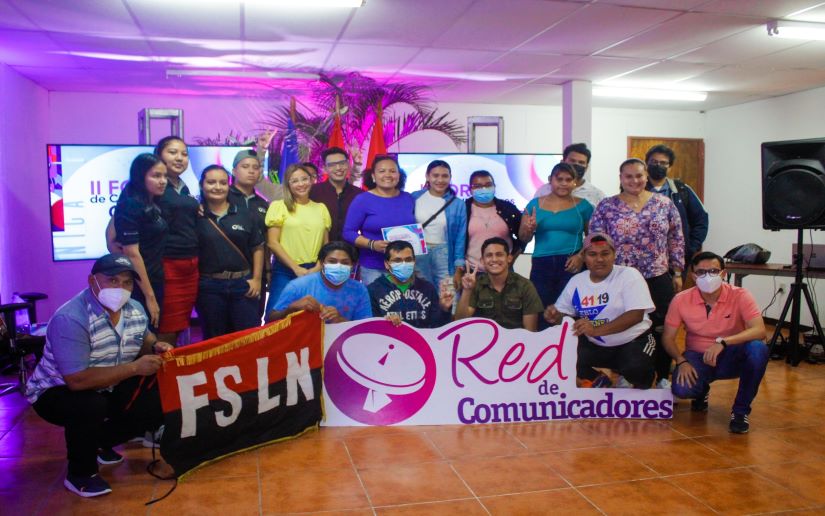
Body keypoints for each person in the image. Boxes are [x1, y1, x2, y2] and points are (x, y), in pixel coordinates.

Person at [24, 254, 172, 498]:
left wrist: (156, 346)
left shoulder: (135, 309)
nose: (120, 288)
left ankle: (100, 442)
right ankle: (81, 474)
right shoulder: (71, 318)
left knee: (154, 398)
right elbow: (77, 380)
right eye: (112, 280)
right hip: (56, 391)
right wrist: (134, 368)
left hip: (109, 382)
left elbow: (144, 339)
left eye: (127, 282)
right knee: (90, 405)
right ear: (92, 281)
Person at [589, 158, 685, 388]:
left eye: (639, 175)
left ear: (646, 176)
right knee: (625, 326)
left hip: (656, 276)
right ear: (621, 178)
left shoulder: (664, 204)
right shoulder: (607, 206)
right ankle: (627, 374)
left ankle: (663, 375)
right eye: (629, 176)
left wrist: (678, 271)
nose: (634, 180)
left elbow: (676, 238)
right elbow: (595, 240)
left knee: (661, 326)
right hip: (619, 279)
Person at [663, 252, 769, 434]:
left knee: (758, 349)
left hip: (731, 355)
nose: (708, 277)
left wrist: (724, 342)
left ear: (723, 273)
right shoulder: (681, 300)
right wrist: (681, 361)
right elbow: (667, 337)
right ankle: (701, 390)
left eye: (713, 271)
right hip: (698, 356)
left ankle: (740, 411)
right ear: (693, 276)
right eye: (701, 272)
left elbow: (760, 330)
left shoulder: (740, 295)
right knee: (682, 389)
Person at [545, 233, 656, 389]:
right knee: (561, 355)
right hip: (598, 346)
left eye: (605, 254)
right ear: (584, 257)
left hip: (634, 340)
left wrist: (596, 330)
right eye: (592, 254)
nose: (599, 259)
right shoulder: (577, 281)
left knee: (636, 369)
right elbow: (563, 315)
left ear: (614, 255)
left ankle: (639, 379)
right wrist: (555, 316)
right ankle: (599, 379)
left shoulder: (629, 275)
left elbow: (635, 315)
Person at [196, 165, 264, 339]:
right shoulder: (194, 215)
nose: (217, 187)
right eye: (211, 182)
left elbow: (257, 247)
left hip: (243, 284)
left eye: (223, 183)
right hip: (209, 287)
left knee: (247, 338)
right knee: (214, 339)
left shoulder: (244, 214)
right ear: (202, 185)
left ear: (229, 185)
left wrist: (256, 279)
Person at [520, 162, 594, 318]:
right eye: (559, 179)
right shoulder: (534, 205)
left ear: (575, 182)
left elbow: (592, 238)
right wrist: (529, 228)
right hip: (541, 263)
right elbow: (523, 238)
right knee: (540, 308)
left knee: (569, 310)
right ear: (550, 180)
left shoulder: (584, 206)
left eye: (568, 180)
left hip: (571, 263)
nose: (564, 183)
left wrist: (580, 256)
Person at [264, 164, 331, 313]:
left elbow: (326, 245)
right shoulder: (279, 206)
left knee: (312, 315)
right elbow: (272, 243)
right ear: (288, 184)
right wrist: (295, 268)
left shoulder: (321, 208)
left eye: (304, 179)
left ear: (311, 180)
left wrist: (318, 267)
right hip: (286, 269)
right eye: (295, 181)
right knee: (276, 313)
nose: (301, 184)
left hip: (315, 269)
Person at [113, 153, 169, 329]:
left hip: (155, 276)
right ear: (140, 177)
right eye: (156, 176)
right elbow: (132, 253)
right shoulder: (131, 204)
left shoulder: (153, 202)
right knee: (141, 334)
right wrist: (149, 296)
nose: (163, 181)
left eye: (164, 176)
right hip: (139, 283)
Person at [153, 136, 200, 345]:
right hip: (167, 265)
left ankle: (175, 364)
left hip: (189, 266)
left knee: (180, 324)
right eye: (172, 152)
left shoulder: (182, 186)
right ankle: (161, 366)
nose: (179, 158)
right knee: (166, 327)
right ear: (159, 155)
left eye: (184, 154)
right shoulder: (153, 186)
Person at [343, 154, 416, 285]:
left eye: (392, 171)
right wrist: (372, 244)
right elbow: (348, 232)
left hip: (404, 267)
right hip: (374, 267)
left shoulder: (408, 198)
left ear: (399, 176)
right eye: (382, 171)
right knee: (377, 299)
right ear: (373, 176)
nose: (388, 175)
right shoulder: (362, 200)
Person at [266, 241, 371, 323]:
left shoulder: (359, 290)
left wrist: (339, 320)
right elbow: (271, 320)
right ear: (321, 263)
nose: (338, 266)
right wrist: (291, 309)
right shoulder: (297, 286)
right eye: (332, 261)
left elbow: (365, 329)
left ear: (352, 266)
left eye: (345, 262)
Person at [455, 237, 543, 331]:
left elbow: (530, 331)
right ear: (482, 261)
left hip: (516, 340)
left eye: (499, 255)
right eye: (489, 255)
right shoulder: (475, 284)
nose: (494, 259)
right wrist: (467, 290)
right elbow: (460, 323)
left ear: (509, 258)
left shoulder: (525, 286)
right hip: (484, 339)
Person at [645, 144, 709, 263]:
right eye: (654, 162)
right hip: (644, 257)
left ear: (669, 167)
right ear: (646, 164)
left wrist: (690, 248)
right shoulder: (637, 191)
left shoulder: (681, 190)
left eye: (663, 163)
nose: (658, 165)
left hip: (676, 258)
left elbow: (701, 220)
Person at [368, 240, 453, 328]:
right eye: (397, 260)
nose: (403, 264)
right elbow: (371, 328)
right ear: (387, 264)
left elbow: (437, 328)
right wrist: (384, 323)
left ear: (414, 261)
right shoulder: (374, 290)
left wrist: (444, 309)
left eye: (408, 260)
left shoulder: (427, 288)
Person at [229, 149, 272, 318]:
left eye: (256, 167)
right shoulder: (222, 198)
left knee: (252, 322)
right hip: (227, 273)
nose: (251, 171)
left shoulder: (263, 204)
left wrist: (267, 273)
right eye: (245, 166)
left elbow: (266, 241)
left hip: (257, 274)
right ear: (234, 171)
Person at [410, 160, 467, 289]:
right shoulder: (414, 197)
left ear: (450, 177)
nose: (440, 180)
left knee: (449, 295)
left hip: (445, 253)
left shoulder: (458, 204)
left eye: (445, 176)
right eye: (435, 175)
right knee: (422, 294)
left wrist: (459, 266)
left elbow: (460, 237)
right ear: (427, 176)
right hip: (419, 253)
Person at [464, 170, 526, 273]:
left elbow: (523, 238)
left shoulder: (507, 208)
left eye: (488, 185)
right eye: (478, 186)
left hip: (503, 271)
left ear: (494, 187)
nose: (484, 189)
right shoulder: (463, 209)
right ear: (470, 189)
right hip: (473, 271)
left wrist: (512, 258)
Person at [309, 147, 363, 242]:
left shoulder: (359, 194)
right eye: (332, 165)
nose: (338, 168)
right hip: (319, 248)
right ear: (324, 168)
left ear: (348, 164)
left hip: (352, 249)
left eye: (342, 163)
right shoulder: (313, 192)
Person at [535, 143, 606, 208]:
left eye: (581, 162)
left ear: (586, 167)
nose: (576, 165)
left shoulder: (597, 195)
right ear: (562, 162)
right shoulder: (544, 190)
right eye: (572, 161)